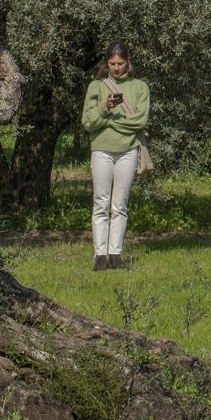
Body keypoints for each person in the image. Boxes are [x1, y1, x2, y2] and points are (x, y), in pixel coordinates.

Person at [80, 44, 151, 271]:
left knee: (119, 204)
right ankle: (100, 256)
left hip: (128, 150)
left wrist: (109, 122)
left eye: (120, 63)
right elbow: (88, 122)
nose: (117, 68)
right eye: (112, 64)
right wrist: (104, 109)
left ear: (128, 61)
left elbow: (139, 122)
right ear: (106, 63)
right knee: (101, 202)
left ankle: (116, 255)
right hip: (101, 149)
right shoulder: (96, 86)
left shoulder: (140, 87)